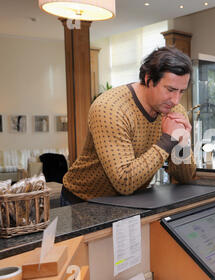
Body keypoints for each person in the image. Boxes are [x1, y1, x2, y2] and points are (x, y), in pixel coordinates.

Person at [61, 46, 196, 205]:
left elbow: (185, 177)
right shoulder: (110, 108)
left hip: (131, 200)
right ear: (148, 79)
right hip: (83, 201)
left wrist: (182, 144)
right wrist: (167, 140)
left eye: (181, 92)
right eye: (171, 90)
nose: (176, 100)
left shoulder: (175, 111)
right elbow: (124, 181)